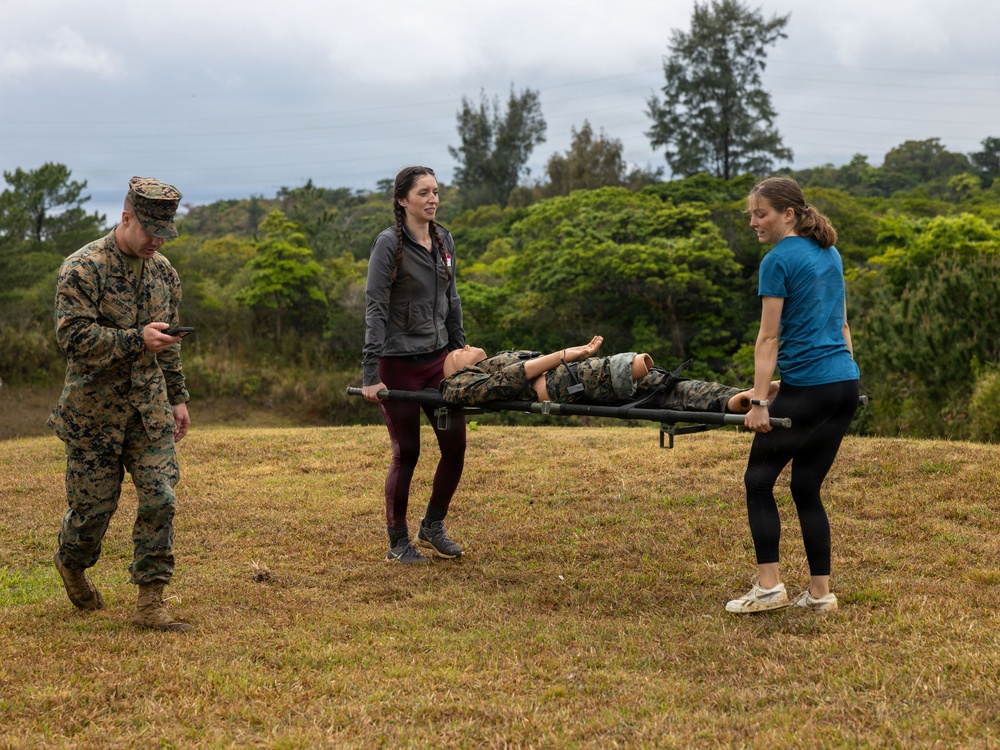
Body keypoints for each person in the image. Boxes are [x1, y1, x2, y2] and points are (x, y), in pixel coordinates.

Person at [48, 177, 193, 632]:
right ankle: (71, 562)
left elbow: (167, 344)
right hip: (93, 415)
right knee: (92, 511)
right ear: (126, 217)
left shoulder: (164, 273)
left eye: (164, 233)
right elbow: (71, 338)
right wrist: (135, 339)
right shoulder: (83, 268)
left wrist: (178, 398)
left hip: (148, 410)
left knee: (161, 498)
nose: (156, 241)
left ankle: (151, 602)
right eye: (149, 230)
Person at [725, 177, 860, 615]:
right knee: (805, 486)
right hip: (844, 384)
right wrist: (832, 377)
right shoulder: (830, 251)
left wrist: (761, 402)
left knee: (758, 481)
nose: (753, 222)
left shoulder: (777, 260)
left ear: (788, 214)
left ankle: (769, 588)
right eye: (751, 214)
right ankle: (820, 595)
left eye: (760, 213)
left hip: (814, 387)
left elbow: (768, 339)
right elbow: (840, 327)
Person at [362, 166, 467, 565]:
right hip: (398, 364)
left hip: (438, 362)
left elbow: (452, 300)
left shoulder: (444, 239)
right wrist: (371, 374)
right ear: (403, 200)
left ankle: (433, 526)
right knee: (407, 453)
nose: (432, 199)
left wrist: (459, 355)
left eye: (436, 192)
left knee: (454, 447)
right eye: (423, 192)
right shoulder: (389, 244)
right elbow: (375, 307)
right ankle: (397, 542)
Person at [441, 336, 776, 413]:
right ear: (461, 369)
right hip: (571, 380)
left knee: (666, 389)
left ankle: (736, 399)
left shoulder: (485, 365)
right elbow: (508, 382)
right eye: (459, 352)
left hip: (574, 380)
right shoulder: (459, 386)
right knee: (625, 369)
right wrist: (564, 355)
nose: (465, 345)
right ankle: (631, 367)